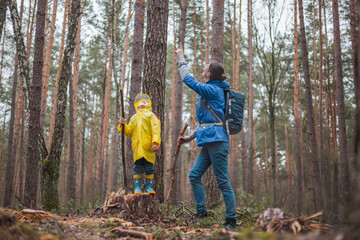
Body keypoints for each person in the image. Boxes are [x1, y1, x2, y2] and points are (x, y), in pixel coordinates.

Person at [175, 44, 237, 230]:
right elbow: (208, 121)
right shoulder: (211, 90)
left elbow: (188, 80)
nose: (203, 69)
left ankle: (231, 220)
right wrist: (190, 137)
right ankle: (201, 213)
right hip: (209, 140)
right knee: (194, 175)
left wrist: (181, 58)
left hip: (217, 142)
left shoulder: (213, 90)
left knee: (222, 181)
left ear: (209, 74)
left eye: (205, 68)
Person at [118, 93, 161, 194]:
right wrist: (122, 125)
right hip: (137, 148)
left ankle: (149, 186)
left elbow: (156, 129)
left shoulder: (151, 115)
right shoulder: (134, 118)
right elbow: (128, 132)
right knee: (137, 167)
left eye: (145, 101)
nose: (142, 102)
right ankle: (137, 187)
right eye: (140, 102)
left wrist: (155, 142)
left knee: (149, 167)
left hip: (148, 147)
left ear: (148, 103)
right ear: (136, 104)